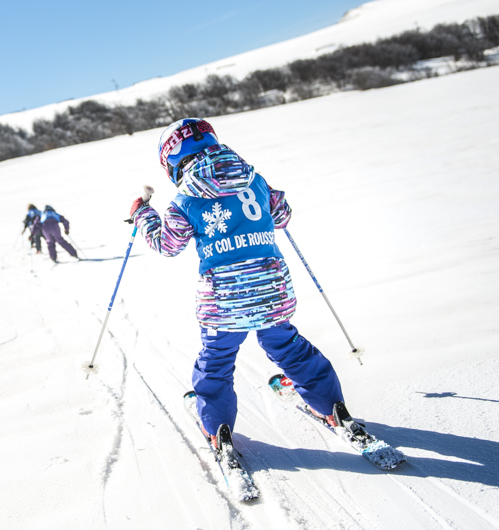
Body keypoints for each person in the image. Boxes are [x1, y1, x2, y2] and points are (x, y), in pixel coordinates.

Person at [129, 117, 350, 452]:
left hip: (224, 302)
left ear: (172, 161)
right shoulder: (254, 179)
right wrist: (262, 195)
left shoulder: (185, 199)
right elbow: (283, 215)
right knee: (290, 347)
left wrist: (143, 214)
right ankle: (331, 406)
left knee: (216, 361)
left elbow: (168, 245)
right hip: (271, 292)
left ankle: (218, 428)